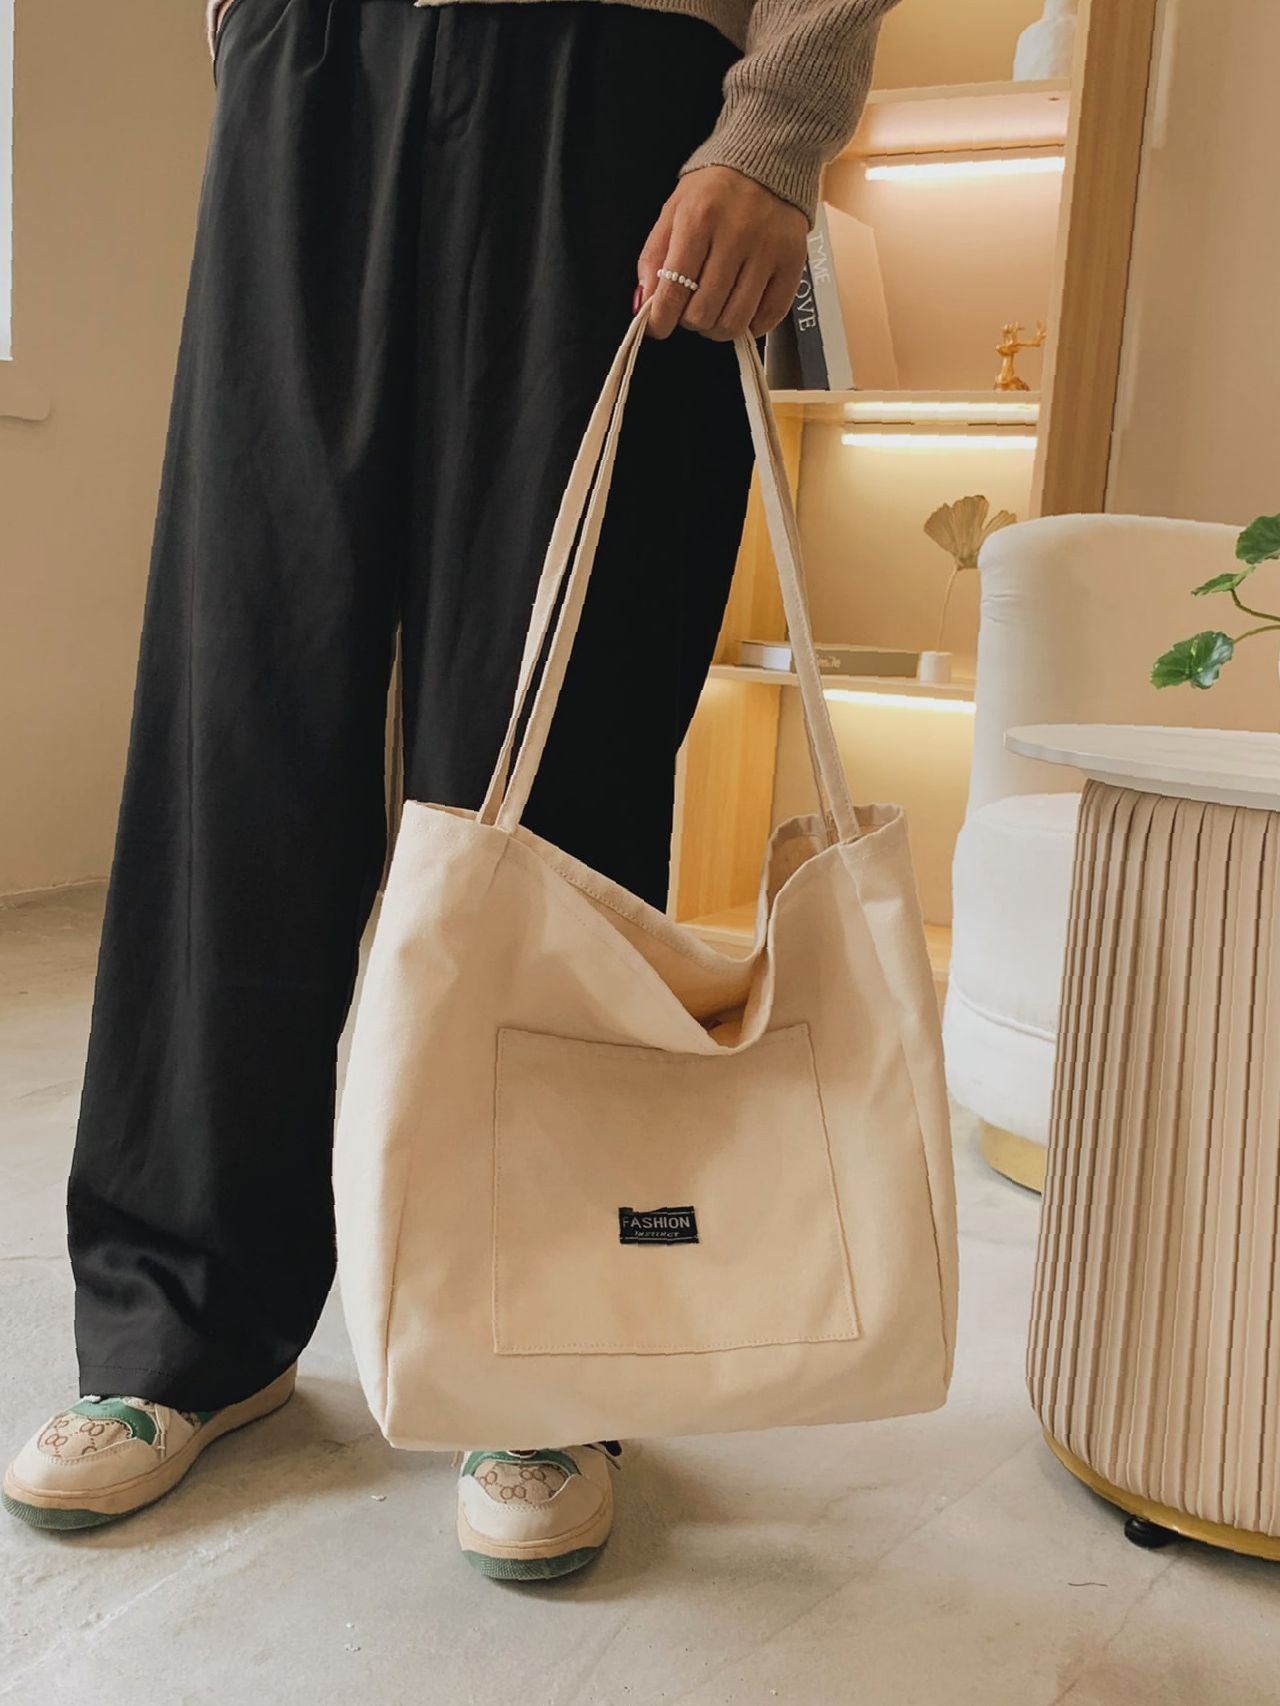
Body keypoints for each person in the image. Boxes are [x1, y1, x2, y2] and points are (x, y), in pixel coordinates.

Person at [3, 0, 900, 1577]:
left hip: (614, 79)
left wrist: (779, 121)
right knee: (239, 697)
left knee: (560, 747)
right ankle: (187, 1313)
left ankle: (537, 1342)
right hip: (313, 70)